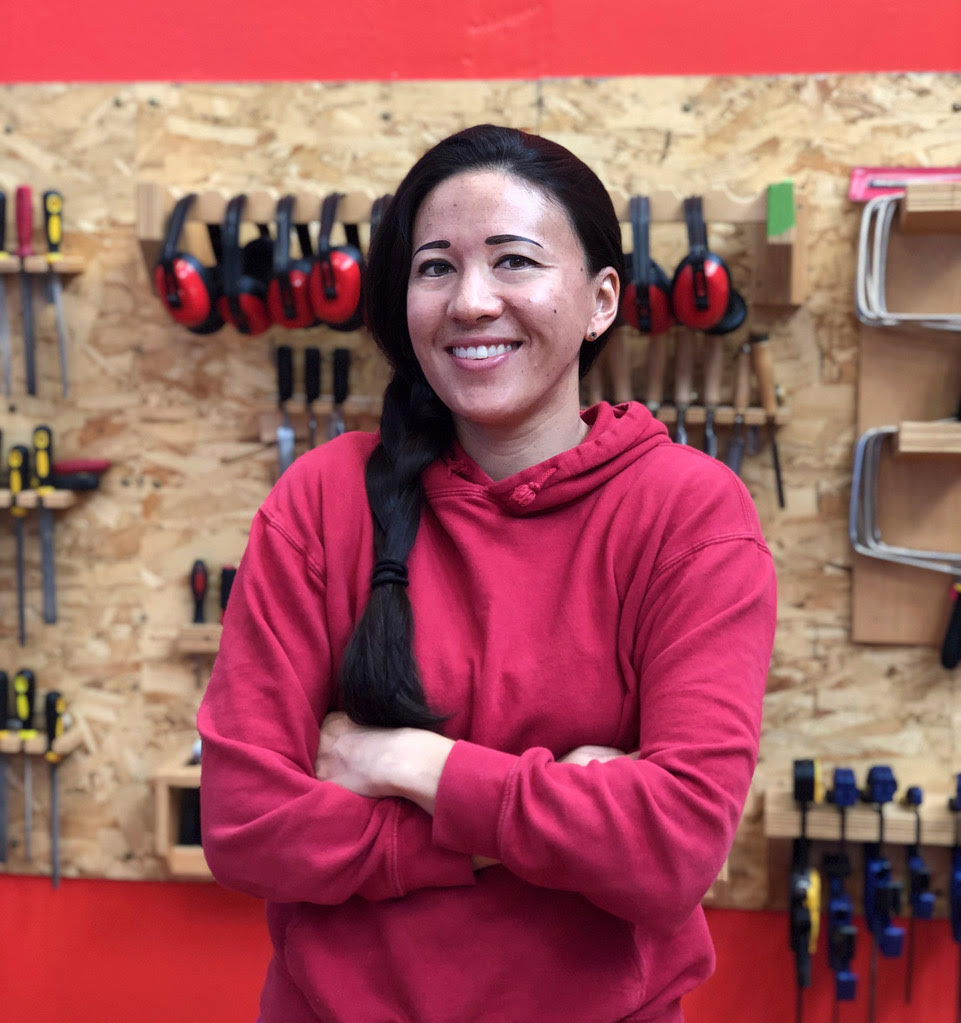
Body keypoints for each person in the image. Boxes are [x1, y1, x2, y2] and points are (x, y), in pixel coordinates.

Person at [197, 124, 777, 1023]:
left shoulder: (689, 515)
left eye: (514, 260)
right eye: (435, 267)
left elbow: (673, 848)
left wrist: (405, 760)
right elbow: (243, 826)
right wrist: (530, 825)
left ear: (599, 300)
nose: (471, 300)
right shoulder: (323, 501)